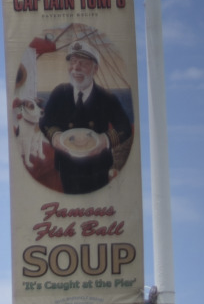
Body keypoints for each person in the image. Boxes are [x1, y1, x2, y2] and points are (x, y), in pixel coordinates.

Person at [38, 43, 134, 195]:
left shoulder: (107, 98)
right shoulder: (59, 93)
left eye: (83, 63)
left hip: (97, 168)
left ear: (95, 69)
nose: (76, 68)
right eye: (73, 62)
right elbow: (45, 121)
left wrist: (104, 141)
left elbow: (125, 127)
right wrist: (55, 136)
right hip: (66, 166)